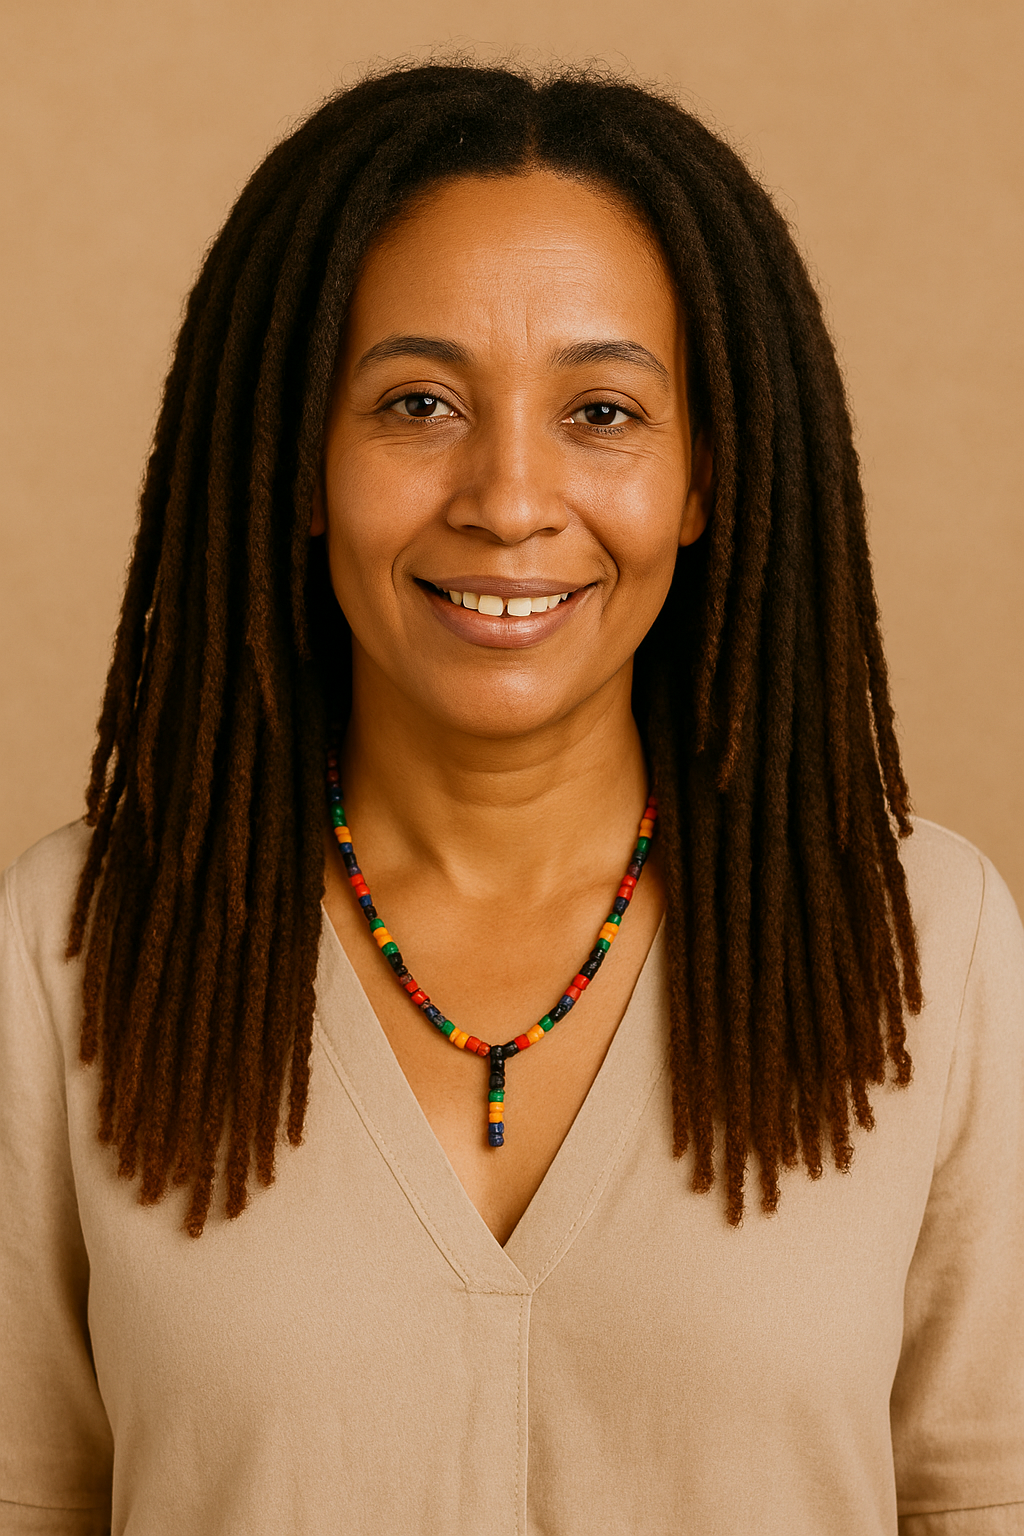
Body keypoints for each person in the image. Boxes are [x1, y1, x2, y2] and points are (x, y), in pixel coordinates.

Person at [1, 60, 1021, 1536]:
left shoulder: (924, 943)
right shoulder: (76, 953)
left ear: (704, 480)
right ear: (299, 462)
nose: (509, 495)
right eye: (418, 402)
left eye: (603, 411)